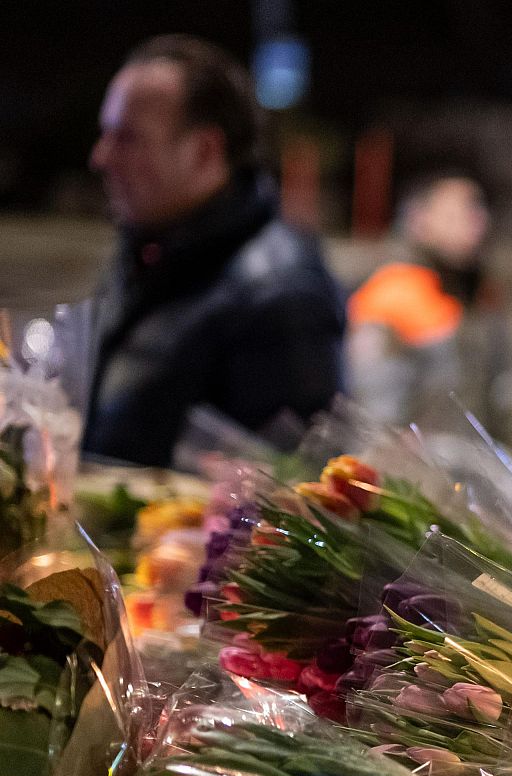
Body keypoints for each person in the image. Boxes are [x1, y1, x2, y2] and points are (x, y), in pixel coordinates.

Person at [85, 34, 343, 467]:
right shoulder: (154, 246)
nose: (101, 157)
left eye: (128, 138)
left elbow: (291, 499)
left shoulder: (281, 292)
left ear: (205, 151)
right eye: (105, 133)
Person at [346, 171, 512, 439]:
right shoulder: (391, 292)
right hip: (416, 474)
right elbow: (376, 409)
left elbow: (504, 395)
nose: (477, 222)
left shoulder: (481, 292)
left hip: (475, 468)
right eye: (458, 214)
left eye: (478, 210)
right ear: (419, 220)